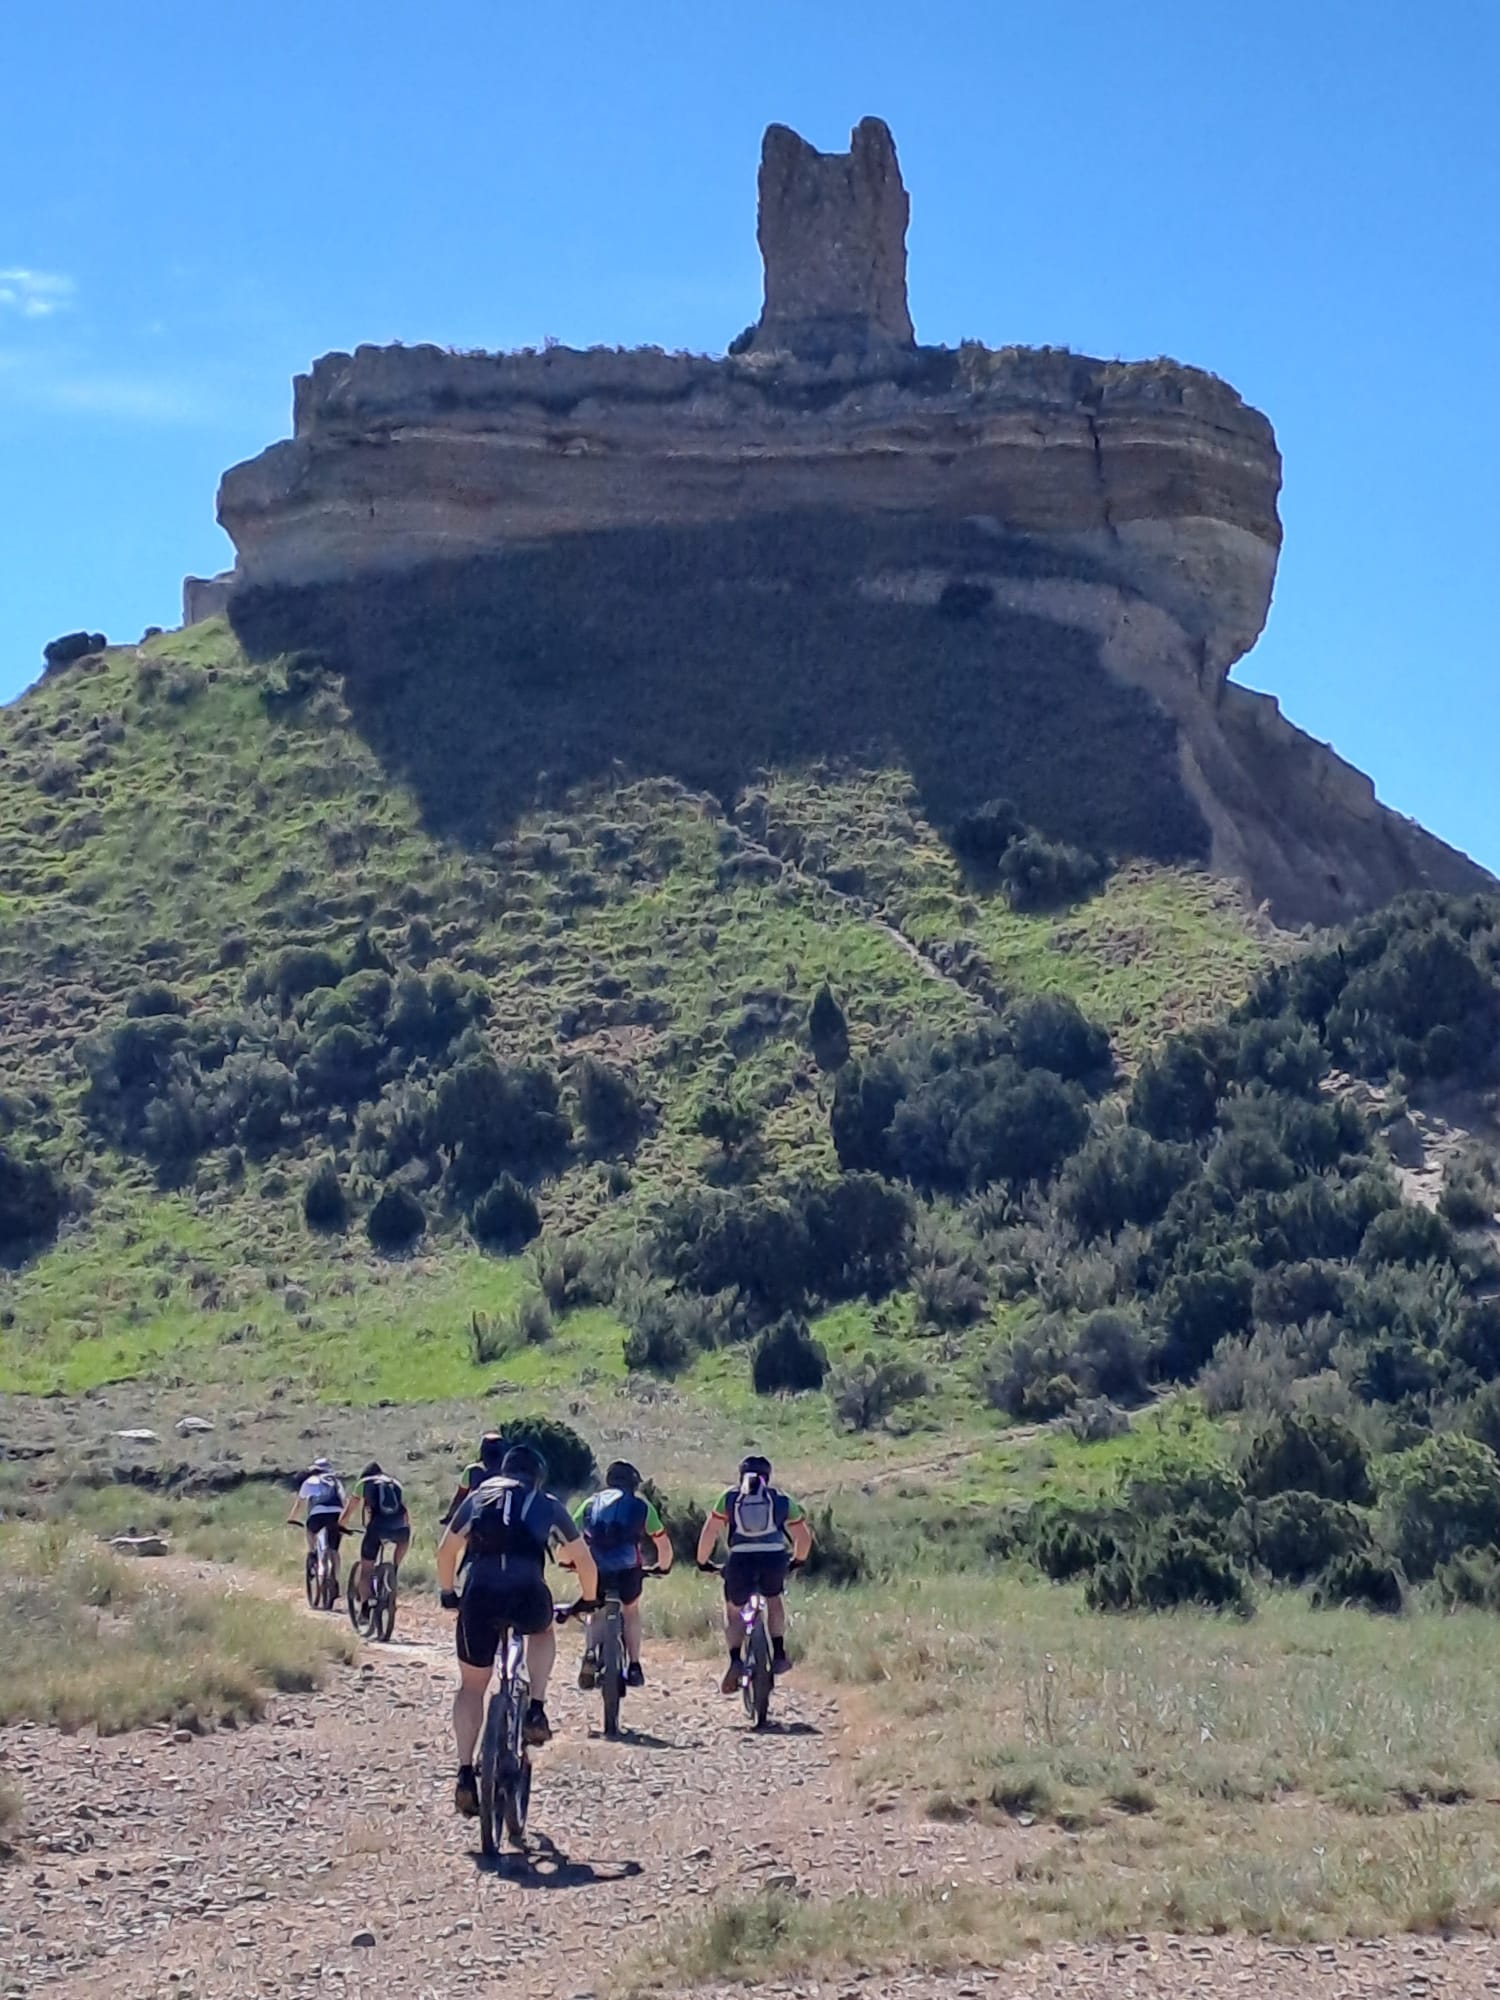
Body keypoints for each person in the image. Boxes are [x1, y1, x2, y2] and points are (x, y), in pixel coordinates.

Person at [435, 1442, 598, 1819]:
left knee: (472, 1686)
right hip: (527, 1593)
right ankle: (536, 1708)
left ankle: (463, 1772)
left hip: (479, 1595)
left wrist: (448, 1592)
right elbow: (584, 1560)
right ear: (537, 1476)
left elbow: (446, 1551)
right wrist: (586, 1600)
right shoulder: (548, 1503)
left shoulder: (478, 1498)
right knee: (542, 1632)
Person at [696, 1453, 812, 1692]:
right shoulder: (780, 1499)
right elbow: (803, 1536)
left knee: (733, 1608)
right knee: (774, 1599)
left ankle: (735, 1659)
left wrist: (703, 1561)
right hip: (773, 1558)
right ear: (767, 1476)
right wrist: (797, 1560)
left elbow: (710, 1532)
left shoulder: (730, 1497)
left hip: (740, 1559)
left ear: (742, 1476)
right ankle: (779, 1653)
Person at [571, 1459, 673, 1691]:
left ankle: (589, 1654)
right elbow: (662, 1543)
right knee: (631, 1609)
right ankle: (635, 1665)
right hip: (629, 1570)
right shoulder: (641, 1506)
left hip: (596, 1570)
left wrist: (570, 1562)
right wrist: (662, 1566)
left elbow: (570, 1536)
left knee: (594, 1608)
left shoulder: (590, 1503)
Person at [340, 1460, 412, 1606]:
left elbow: (350, 1509)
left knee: (366, 1569)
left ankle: (365, 1608)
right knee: (403, 1539)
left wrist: (340, 1525)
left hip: (377, 1528)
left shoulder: (364, 1483)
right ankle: (394, 1569)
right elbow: (404, 1512)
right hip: (400, 1527)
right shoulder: (395, 1483)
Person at [287, 1457, 348, 1599]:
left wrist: (292, 1518)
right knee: (334, 1550)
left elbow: (299, 1503)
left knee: (310, 1530)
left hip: (317, 1515)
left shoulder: (309, 1481)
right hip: (335, 1514)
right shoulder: (336, 1482)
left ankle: (313, 1552)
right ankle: (336, 1579)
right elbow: (345, 1501)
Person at [440, 1429, 505, 1526]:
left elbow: (460, 1497)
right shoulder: (509, 1471)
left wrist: (450, 1517)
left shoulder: (472, 1470)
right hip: (504, 1519)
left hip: (477, 1517)